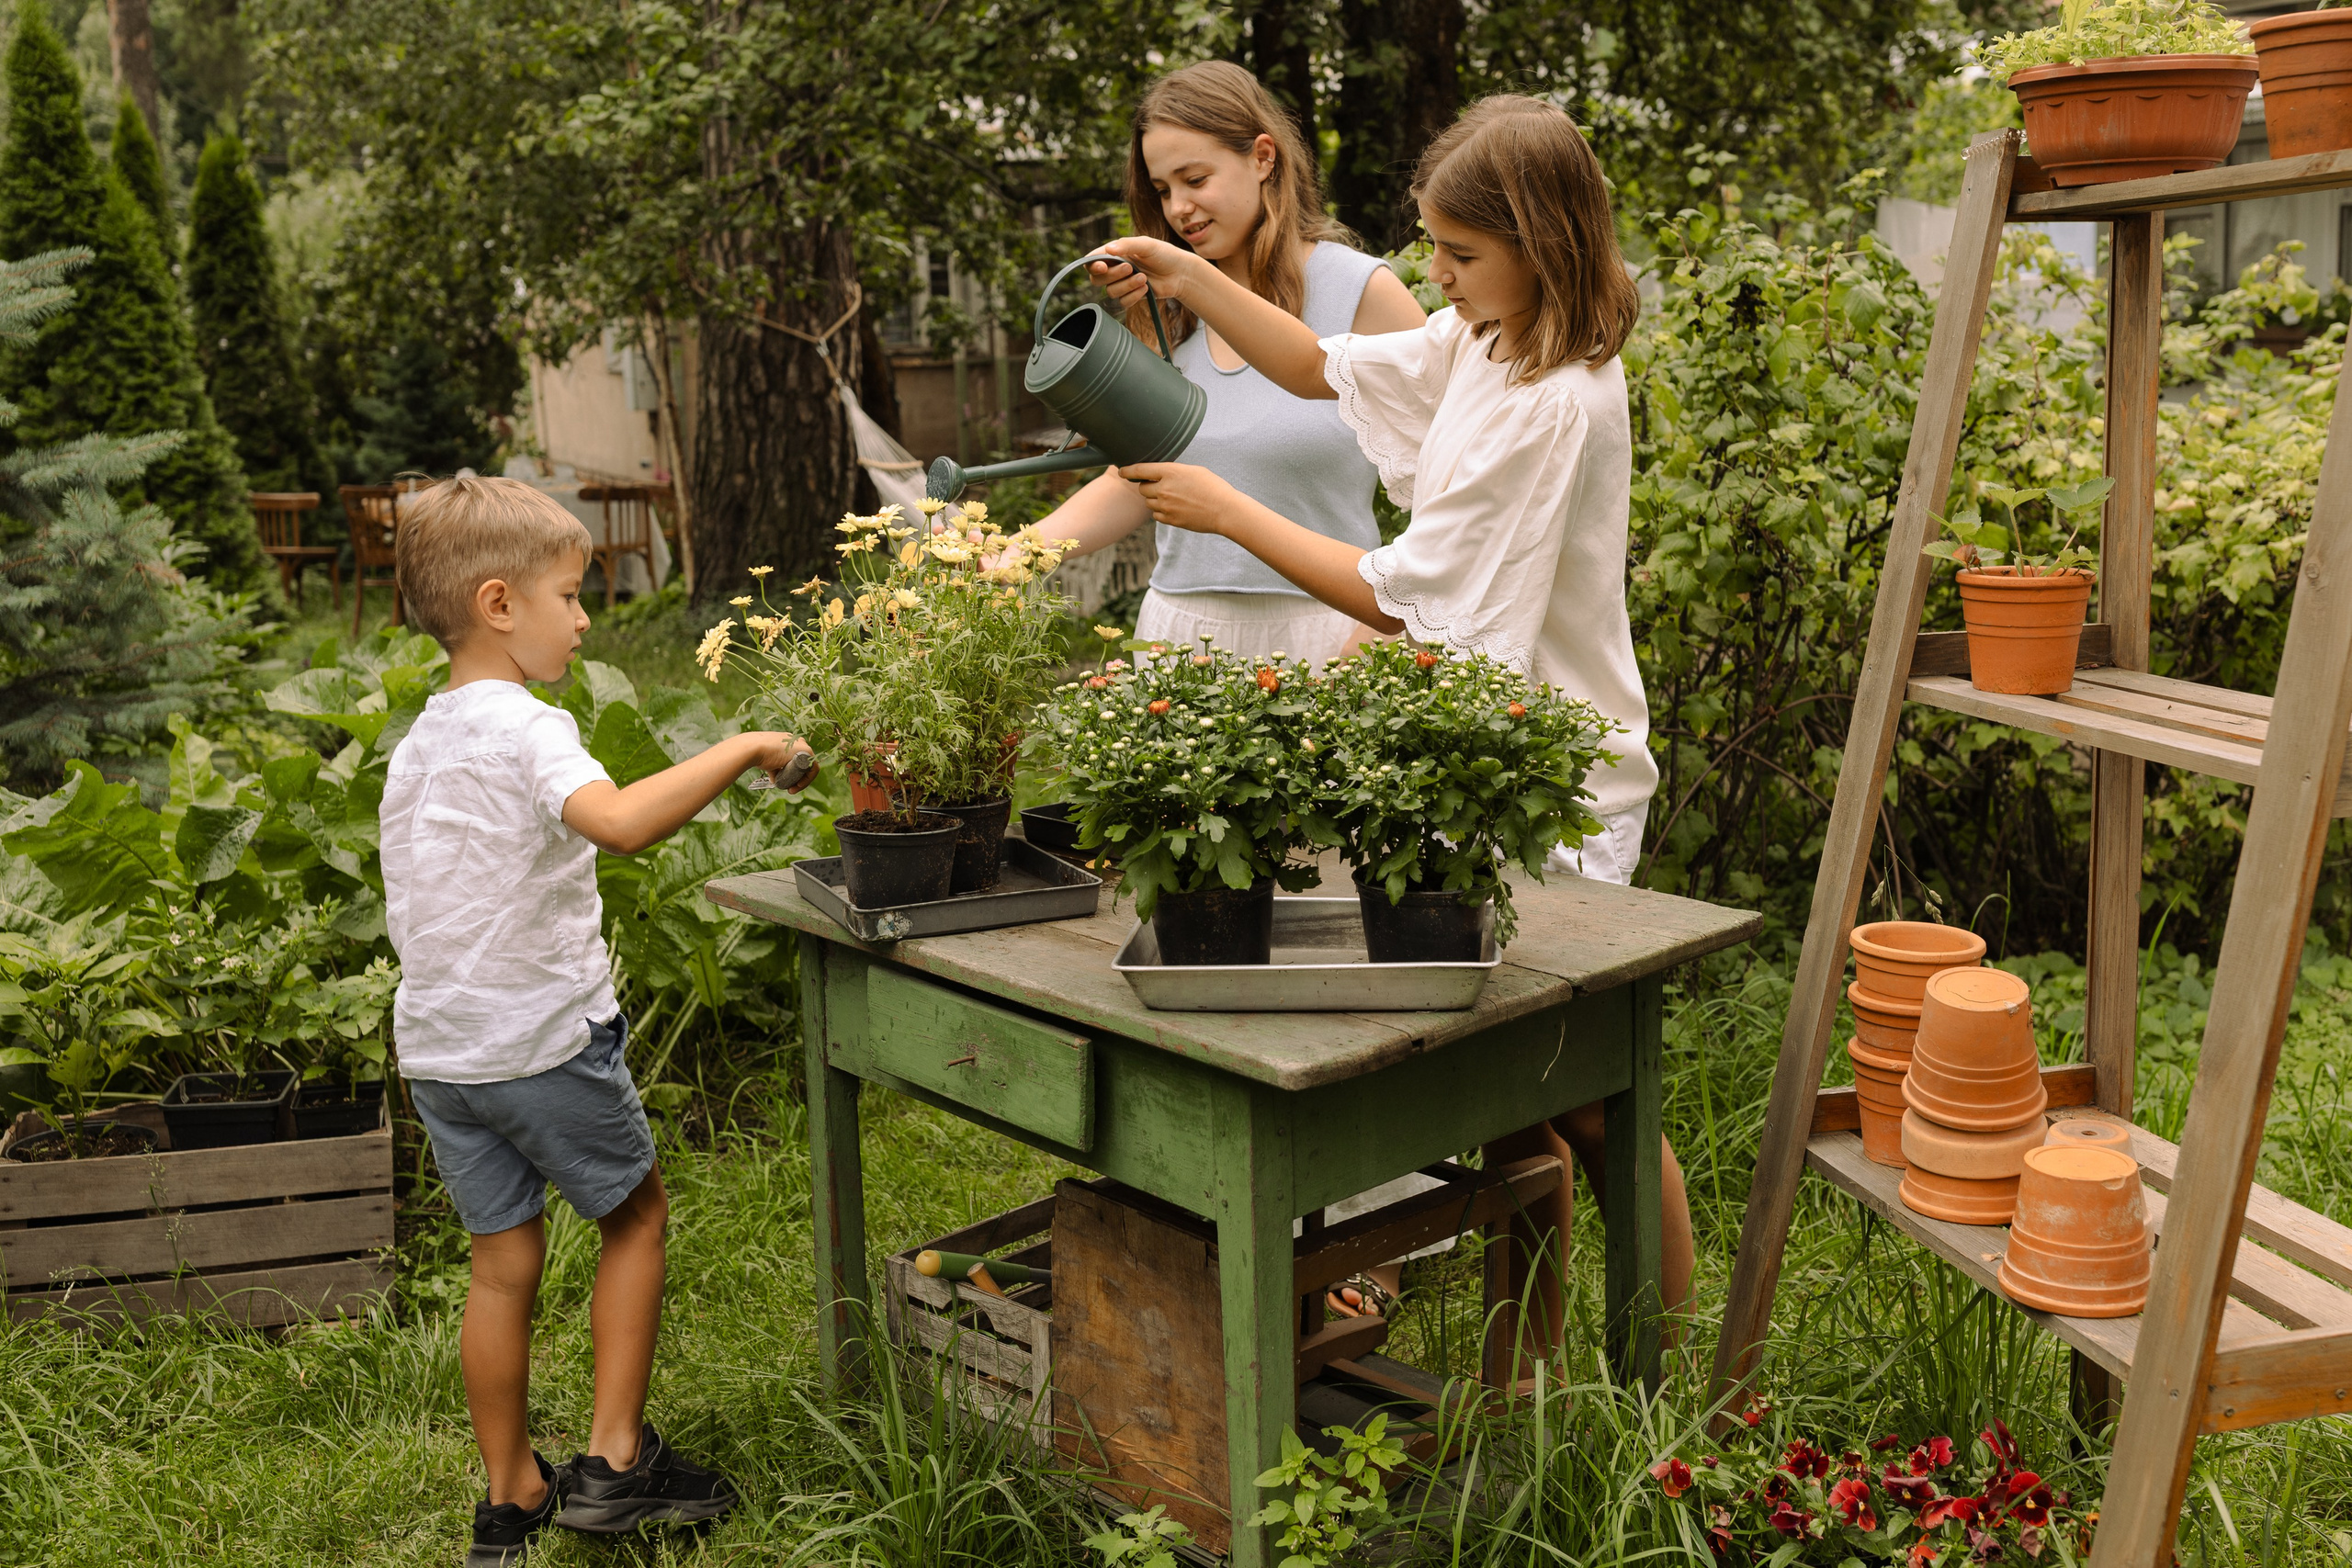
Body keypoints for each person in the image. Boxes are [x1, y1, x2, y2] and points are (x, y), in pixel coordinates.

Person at [1089, 96, 1694, 1376]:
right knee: (1512, 1105)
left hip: (1552, 773)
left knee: (1584, 1095)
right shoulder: (1494, 339)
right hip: (1481, 756)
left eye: (1460, 256)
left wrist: (1229, 509)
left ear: (1540, 243)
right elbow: (1327, 364)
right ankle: (1513, 1378)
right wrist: (1192, 271)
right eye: (1433, 250)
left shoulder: (1556, 397)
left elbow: (1402, 592)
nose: (1438, 281)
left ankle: (1671, 1383)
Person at [380, 477, 815, 1564]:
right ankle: (617, 1463)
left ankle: (510, 1494)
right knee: (637, 1216)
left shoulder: (418, 742)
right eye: (569, 597)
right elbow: (618, 825)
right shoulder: (528, 727)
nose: (582, 619)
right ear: (496, 604)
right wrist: (743, 745)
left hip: (442, 1052)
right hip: (537, 1042)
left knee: (500, 1265)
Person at [1038, 59, 1425, 671]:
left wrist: (1390, 629)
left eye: (1195, 179)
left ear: (1263, 157)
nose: (1179, 209)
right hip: (1178, 635)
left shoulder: (1361, 292)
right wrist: (1018, 552)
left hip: (1331, 634)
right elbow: (1136, 477)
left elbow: (1455, 473)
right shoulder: (1170, 308)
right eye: (1163, 190)